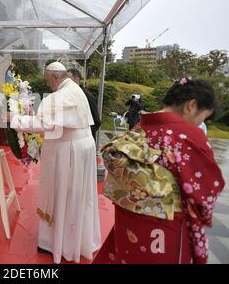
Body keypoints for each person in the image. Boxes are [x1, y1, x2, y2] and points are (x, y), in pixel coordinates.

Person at [96, 78, 225, 264]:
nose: (199, 124)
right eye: (202, 117)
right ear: (192, 105)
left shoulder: (139, 128)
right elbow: (206, 191)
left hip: (127, 217)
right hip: (165, 226)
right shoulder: (188, 136)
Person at [11, 61, 101, 264]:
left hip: (68, 153)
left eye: (47, 79)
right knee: (77, 198)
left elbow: (44, 124)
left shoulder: (60, 96)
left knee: (63, 196)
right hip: (82, 148)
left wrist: (15, 120)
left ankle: (58, 244)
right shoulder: (74, 89)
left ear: (54, 76)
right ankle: (76, 241)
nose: (47, 83)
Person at [67, 68, 101, 141]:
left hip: (85, 141)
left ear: (77, 78)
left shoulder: (87, 96)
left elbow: (96, 121)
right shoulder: (70, 95)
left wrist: (84, 135)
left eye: (68, 79)